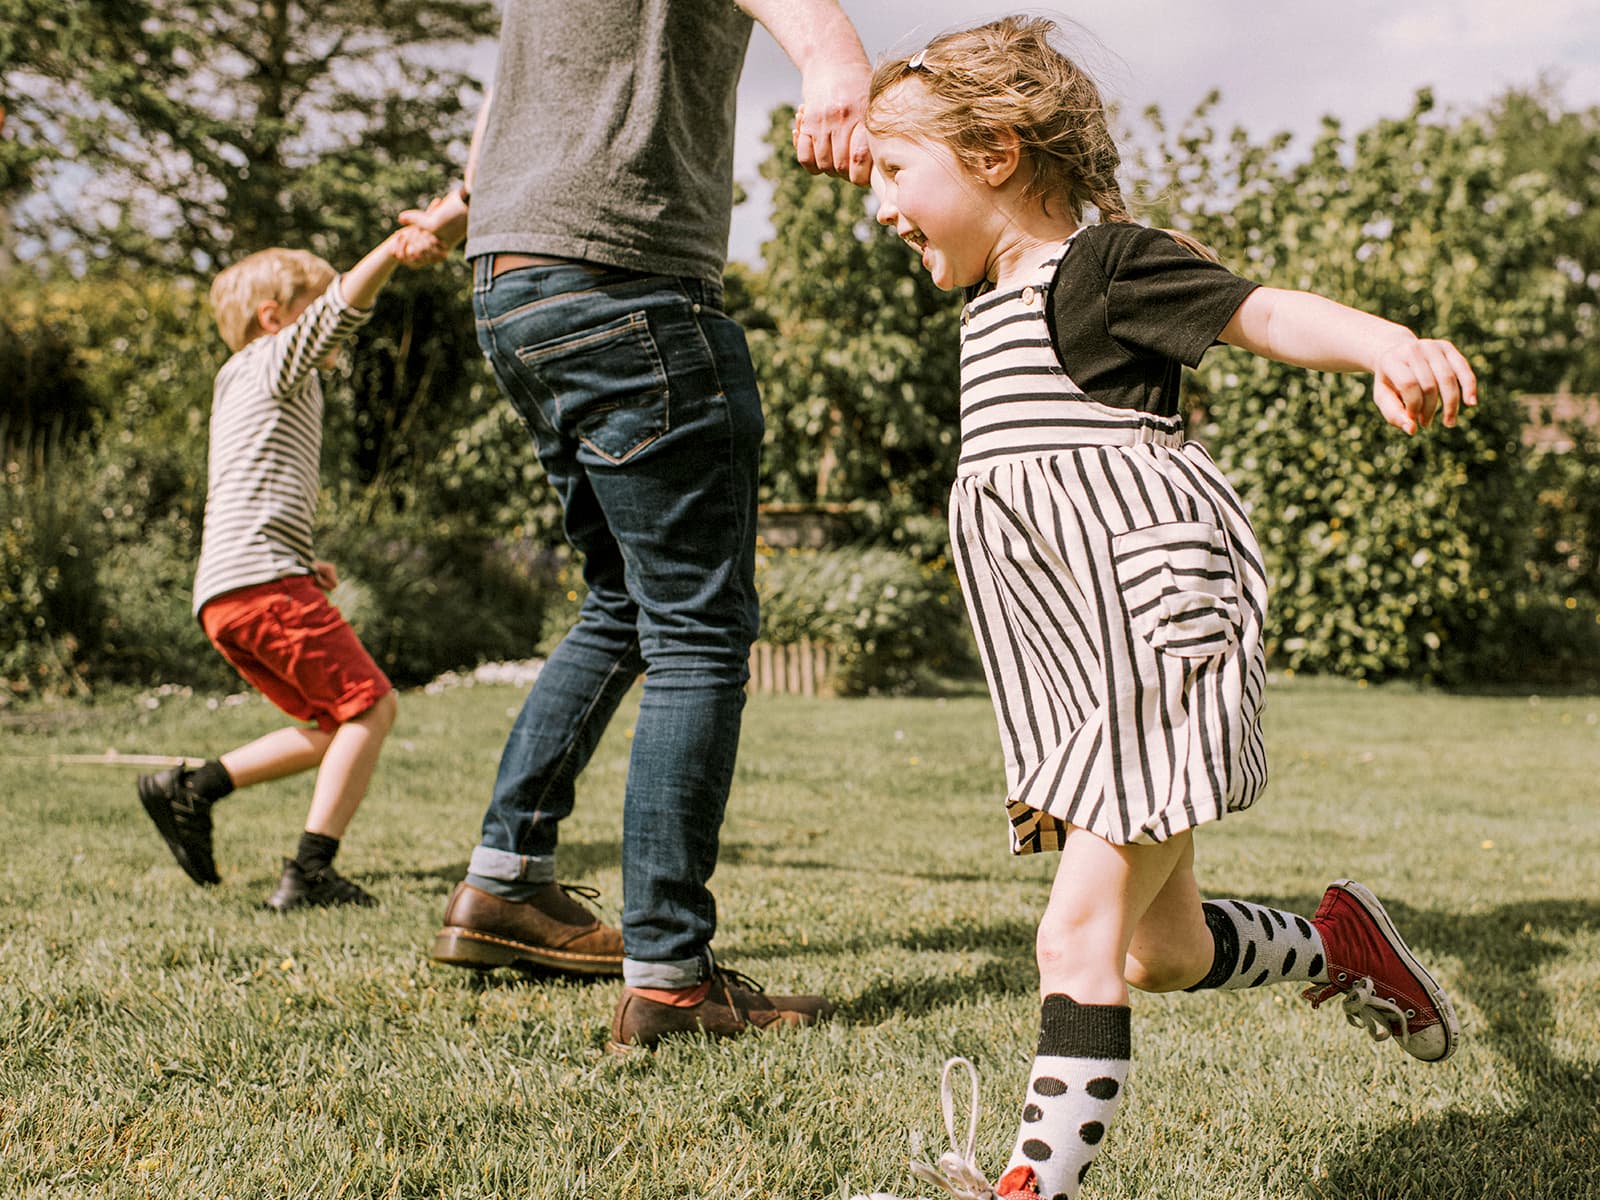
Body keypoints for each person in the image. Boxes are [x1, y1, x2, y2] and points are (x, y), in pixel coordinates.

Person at [849, 17, 1470, 1200]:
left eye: (894, 169)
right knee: (1161, 951)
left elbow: (1263, 313)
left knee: (1071, 941)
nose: (879, 203)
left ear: (992, 152)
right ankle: (1343, 946)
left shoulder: (1107, 265)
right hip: (1086, 672)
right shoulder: (991, 304)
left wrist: (1386, 345)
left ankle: (1030, 1190)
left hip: (1154, 641)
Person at [392, 0, 874, 1050]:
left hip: (514, 278)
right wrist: (833, 54)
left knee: (624, 599)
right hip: (625, 274)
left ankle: (505, 884)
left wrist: (468, 202)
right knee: (698, 633)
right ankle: (669, 979)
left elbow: (514, 92)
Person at [137, 231, 438, 911]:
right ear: (274, 316)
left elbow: (251, 484)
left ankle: (194, 788)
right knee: (372, 707)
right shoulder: (274, 358)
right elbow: (341, 310)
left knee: (335, 725)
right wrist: (392, 249)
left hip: (229, 590)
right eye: (311, 298)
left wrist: (302, 560)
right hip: (263, 584)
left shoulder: (240, 379)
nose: (329, 316)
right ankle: (310, 871)